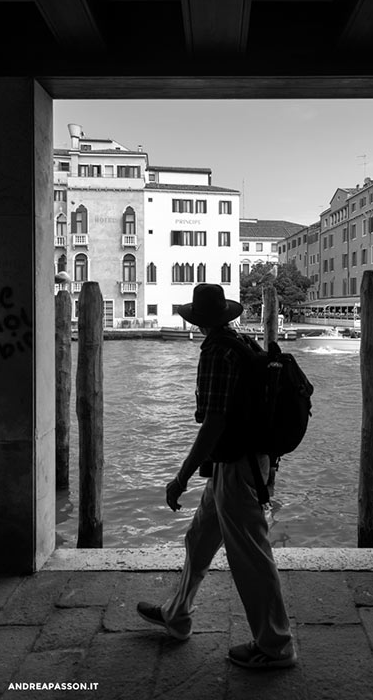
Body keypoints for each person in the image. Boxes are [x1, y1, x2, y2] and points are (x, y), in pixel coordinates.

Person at [136, 283, 296, 670]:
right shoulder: (242, 344)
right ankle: (178, 614)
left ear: (199, 322)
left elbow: (214, 422)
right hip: (243, 464)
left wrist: (181, 477)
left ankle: (276, 646)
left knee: (252, 557)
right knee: (199, 538)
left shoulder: (216, 353)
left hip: (237, 468)